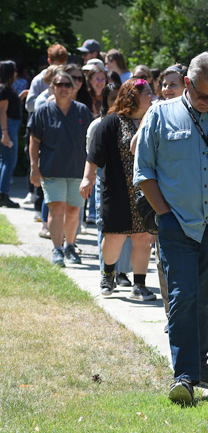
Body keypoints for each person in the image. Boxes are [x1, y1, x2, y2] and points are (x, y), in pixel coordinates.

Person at [134, 51, 208, 405]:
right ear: (187, 83)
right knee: (183, 297)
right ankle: (184, 375)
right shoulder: (159, 115)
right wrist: (165, 215)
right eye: (202, 94)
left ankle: (199, 363)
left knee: (206, 301)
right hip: (177, 224)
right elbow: (144, 173)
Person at [80, 79, 156, 300]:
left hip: (146, 190)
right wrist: (87, 178)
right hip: (116, 189)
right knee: (115, 236)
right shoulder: (111, 122)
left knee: (142, 237)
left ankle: (139, 285)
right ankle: (108, 274)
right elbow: (94, 154)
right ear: (133, 96)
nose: (152, 96)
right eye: (147, 93)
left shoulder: (153, 121)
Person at [28, 69, 93, 266]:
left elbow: (92, 143)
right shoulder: (43, 111)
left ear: (74, 88)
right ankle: (57, 249)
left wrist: (92, 172)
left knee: (74, 211)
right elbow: (34, 141)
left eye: (67, 85)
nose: (63, 88)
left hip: (77, 170)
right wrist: (34, 167)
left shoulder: (82, 111)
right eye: (59, 85)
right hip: (51, 170)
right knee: (57, 209)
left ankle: (70, 246)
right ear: (52, 87)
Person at [0, 60, 27, 208]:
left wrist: (20, 97)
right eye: (14, 70)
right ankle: (3, 195)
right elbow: (2, 112)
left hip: (9, 127)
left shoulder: (6, 89)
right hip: (7, 127)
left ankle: (2, 194)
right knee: (10, 161)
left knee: (5, 161)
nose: (16, 73)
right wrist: (5, 133)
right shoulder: (3, 89)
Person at [25, 44, 68, 114]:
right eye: (57, 65)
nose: (60, 69)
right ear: (49, 61)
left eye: (63, 65)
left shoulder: (70, 78)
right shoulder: (39, 79)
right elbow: (29, 106)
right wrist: (46, 98)